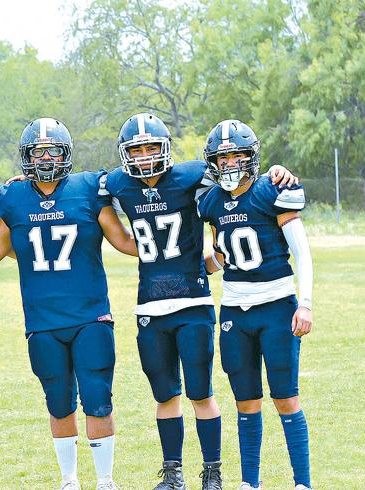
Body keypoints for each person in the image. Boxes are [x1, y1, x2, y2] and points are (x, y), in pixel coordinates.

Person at [102, 113, 297, 490]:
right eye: (136, 150)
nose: (144, 157)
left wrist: (277, 171)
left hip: (193, 303)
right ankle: (173, 474)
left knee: (201, 392)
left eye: (151, 148)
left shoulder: (193, 175)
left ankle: (212, 473)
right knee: (165, 396)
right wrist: (25, 185)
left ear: (165, 148)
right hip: (149, 306)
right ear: (125, 154)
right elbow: (78, 190)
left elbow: (238, 174)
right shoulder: (117, 183)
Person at [0, 117, 138, 490]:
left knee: (98, 397)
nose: (45, 158)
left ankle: (105, 479)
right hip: (42, 320)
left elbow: (124, 241)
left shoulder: (88, 188)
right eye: (37, 151)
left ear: (66, 154)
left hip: (90, 316)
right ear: (26, 156)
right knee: (58, 402)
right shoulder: (14, 197)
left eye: (53, 151)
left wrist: (178, 254)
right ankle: (69, 479)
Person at [197, 120, 313, 490]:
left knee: (286, 398)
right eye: (223, 158)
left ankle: (302, 483)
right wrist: (194, 267)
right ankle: (250, 482)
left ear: (251, 157)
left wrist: (305, 303)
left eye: (237, 156)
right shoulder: (212, 201)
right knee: (245, 401)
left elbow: (302, 252)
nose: (230, 164)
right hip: (234, 310)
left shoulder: (271, 189)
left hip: (277, 306)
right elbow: (222, 254)